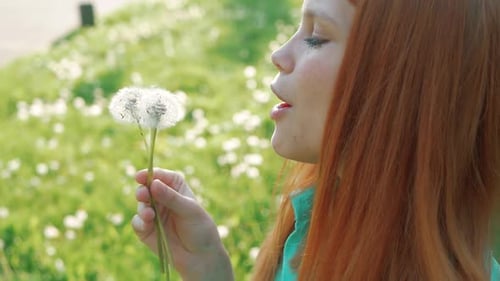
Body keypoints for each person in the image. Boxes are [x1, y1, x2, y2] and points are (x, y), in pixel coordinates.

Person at [131, 0, 500, 279]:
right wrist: (209, 266)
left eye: (316, 37)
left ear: (401, 89)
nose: (279, 55)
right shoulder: (320, 218)